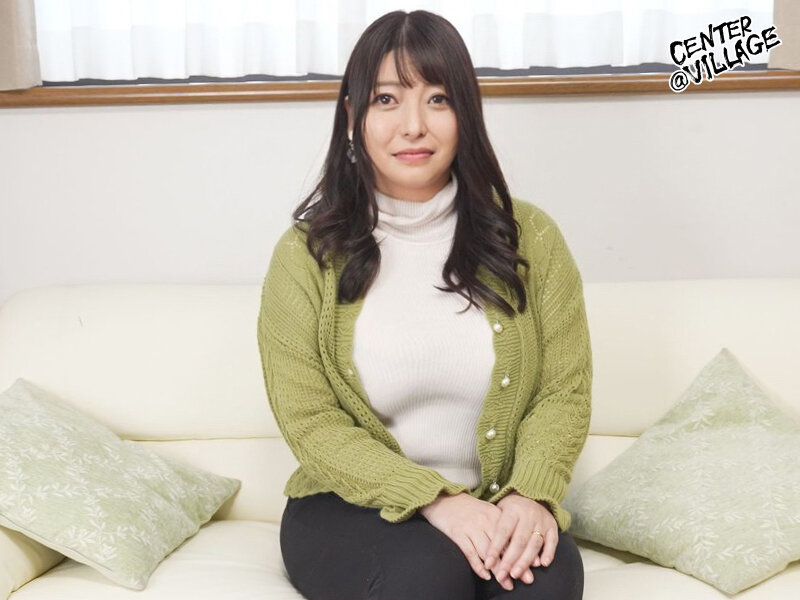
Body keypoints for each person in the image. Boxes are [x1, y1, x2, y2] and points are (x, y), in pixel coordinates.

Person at [256, 9, 592, 600]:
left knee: (542, 583)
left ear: (466, 114)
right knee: (427, 576)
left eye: (438, 99)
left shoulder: (530, 238)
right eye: (387, 100)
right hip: (348, 506)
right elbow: (310, 420)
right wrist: (437, 500)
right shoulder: (305, 255)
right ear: (353, 116)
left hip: (499, 501)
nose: (413, 126)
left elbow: (562, 390)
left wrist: (529, 495)